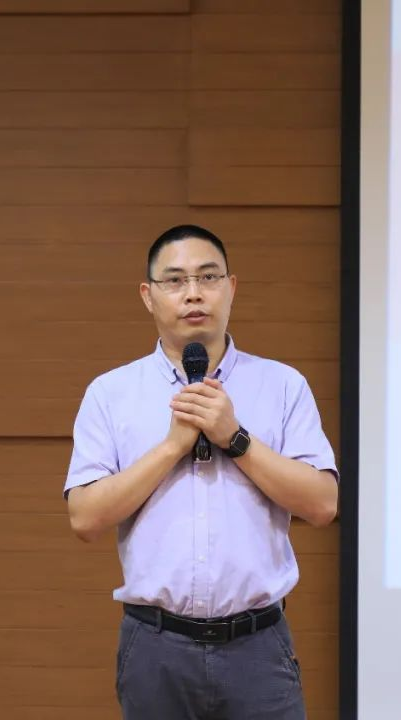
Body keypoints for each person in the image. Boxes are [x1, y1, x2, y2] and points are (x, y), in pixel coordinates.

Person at [64, 224, 339, 719]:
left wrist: (235, 438)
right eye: (175, 280)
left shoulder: (282, 385)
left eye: (208, 277)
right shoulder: (111, 393)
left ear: (231, 288)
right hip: (156, 646)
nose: (193, 293)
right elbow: (85, 518)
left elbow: (322, 504)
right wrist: (173, 447)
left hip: (257, 647)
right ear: (148, 296)